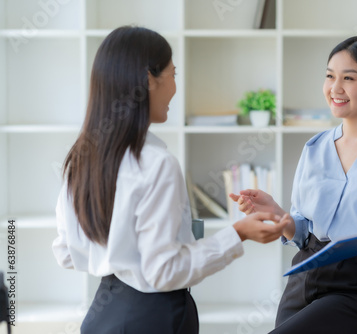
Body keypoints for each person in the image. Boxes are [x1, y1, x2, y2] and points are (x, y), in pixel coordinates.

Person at [52, 26, 290, 334]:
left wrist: (118, 256)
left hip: (102, 316)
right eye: (173, 75)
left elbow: (66, 252)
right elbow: (164, 271)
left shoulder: (81, 159)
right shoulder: (156, 164)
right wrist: (238, 233)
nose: (175, 89)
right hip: (153, 319)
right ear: (149, 80)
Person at [230, 36, 357, 334]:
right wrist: (278, 215)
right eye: (330, 76)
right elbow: (302, 233)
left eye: (349, 78)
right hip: (304, 278)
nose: (335, 88)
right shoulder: (315, 148)